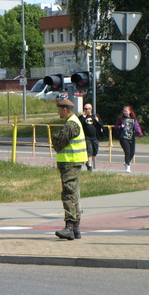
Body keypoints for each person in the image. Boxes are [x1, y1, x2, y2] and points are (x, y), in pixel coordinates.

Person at [51, 98, 87, 240]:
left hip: (70, 163)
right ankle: (76, 228)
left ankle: (69, 227)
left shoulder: (70, 125)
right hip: (73, 162)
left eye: (59, 109)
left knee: (69, 194)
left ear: (65, 109)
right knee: (73, 194)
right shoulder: (74, 122)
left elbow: (58, 143)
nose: (58, 111)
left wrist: (54, 139)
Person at [113, 105, 143, 173]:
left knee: (132, 153)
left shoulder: (133, 120)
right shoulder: (121, 119)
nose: (125, 112)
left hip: (131, 137)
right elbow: (116, 126)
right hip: (123, 137)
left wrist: (140, 134)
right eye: (124, 111)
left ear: (130, 111)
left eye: (126, 111)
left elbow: (137, 127)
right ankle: (128, 166)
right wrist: (120, 126)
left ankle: (127, 162)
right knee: (127, 151)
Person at [78, 102, 103, 171]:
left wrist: (97, 121)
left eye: (87, 109)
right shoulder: (82, 117)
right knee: (89, 151)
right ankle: (89, 165)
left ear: (91, 109)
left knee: (95, 152)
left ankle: (89, 163)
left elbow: (101, 125)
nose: (86, 110)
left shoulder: (95, 117)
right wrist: (83, 117)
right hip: (87, 137)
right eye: (84, 109)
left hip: (95, 137)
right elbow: (79, 124)